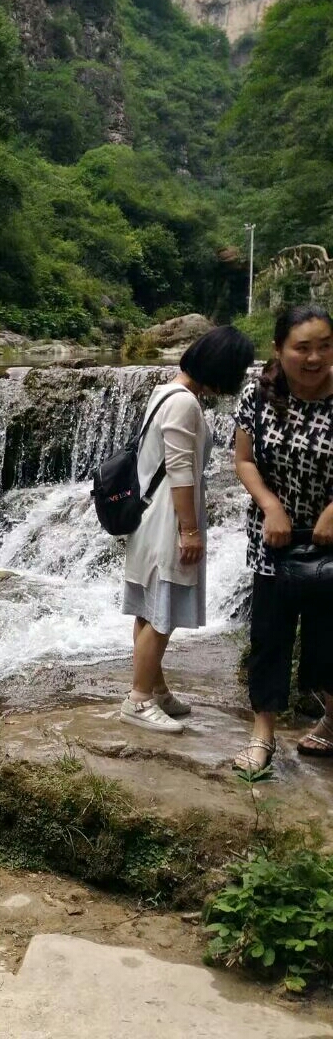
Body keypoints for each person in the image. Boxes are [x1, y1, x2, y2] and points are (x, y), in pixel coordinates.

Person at [121, 326, 256, 733]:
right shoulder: (185, 405)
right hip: (167, 521)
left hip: (150, 517)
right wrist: (191, 532)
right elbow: (181, 472)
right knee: (162, 612)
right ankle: (139, 699)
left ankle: (155, 687)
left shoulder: (165, 392)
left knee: (150, 607)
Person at [230, 303, 333, 772]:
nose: (315, 358)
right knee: (269, 636)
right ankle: (262, 734)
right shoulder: (258, 394)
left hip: (331, 541)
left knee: (328, 637)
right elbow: (245, 461)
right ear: (278, 350)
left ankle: (331, 722)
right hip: (273, 539)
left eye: (326, 347)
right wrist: (271, 507)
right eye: (303, 348)